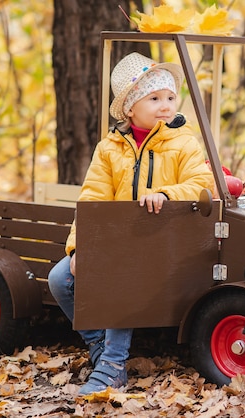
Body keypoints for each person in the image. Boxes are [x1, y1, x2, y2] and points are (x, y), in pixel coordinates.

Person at [48, 52, 214, 395]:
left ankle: (112, 366)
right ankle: (98, 345)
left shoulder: (183, 144)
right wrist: (82, 248)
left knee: (121, 274)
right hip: (120, 241)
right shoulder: (109, 149)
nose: (165, 105)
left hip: (167, 241)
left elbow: (202, 184)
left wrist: (167, 193)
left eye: (170, 97)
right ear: (129, 107)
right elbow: (92, 200)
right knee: (60, 278)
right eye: (153, 98)